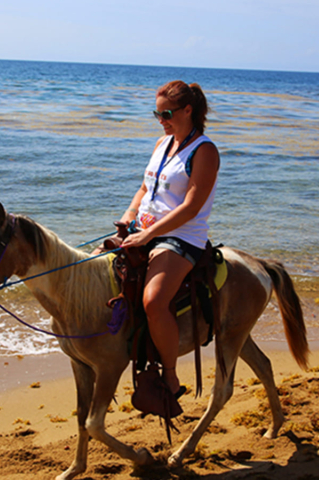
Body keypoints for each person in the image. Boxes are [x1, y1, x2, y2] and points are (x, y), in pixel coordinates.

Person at [120, 81, 220, 396]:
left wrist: (148, 235)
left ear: (188, 110)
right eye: (156, 113)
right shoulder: (161, 144)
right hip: (143, 229)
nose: (161, 120)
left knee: (153, 301)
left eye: (166, 113)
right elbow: (144, 189)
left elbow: (191, 207)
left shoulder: (204, 151)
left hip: (180, 237)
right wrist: (128, 216)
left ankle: (171, 375)